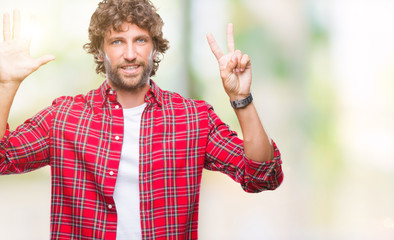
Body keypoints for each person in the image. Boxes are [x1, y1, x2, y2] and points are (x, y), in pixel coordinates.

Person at [0, 0, 283, 239]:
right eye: (117, 41)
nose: (131, 54)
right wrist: (7, 84)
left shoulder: (193, 119)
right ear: (100, 50)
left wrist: (241, 97)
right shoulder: (63, 118)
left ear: (155, 48)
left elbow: (263, 176)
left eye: (141, 40)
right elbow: (3, 159)